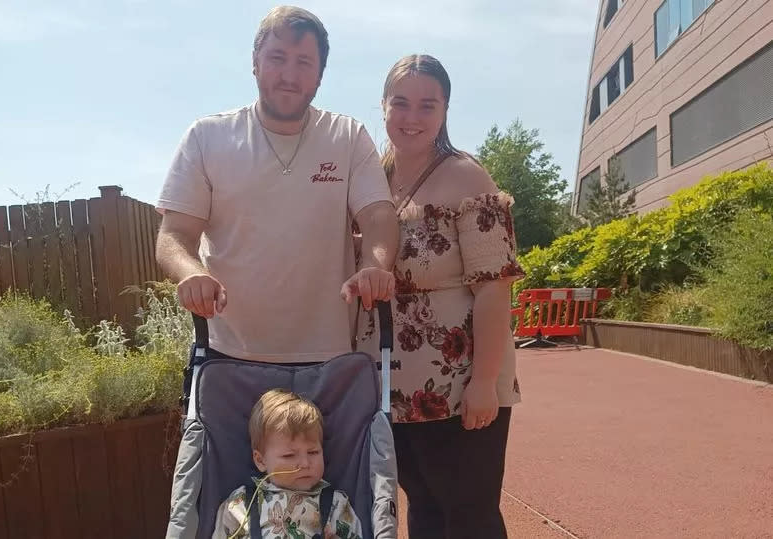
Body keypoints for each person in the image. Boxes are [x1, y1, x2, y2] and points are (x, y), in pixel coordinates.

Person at [155, 6, 398, 364]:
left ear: (319, 75)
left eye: (304, 62)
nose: (289, 75)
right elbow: (173, 235)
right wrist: (192, 274)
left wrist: (377, 265)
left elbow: (379, 215)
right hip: (229, 354)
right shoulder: (207, 137)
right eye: (277, 58)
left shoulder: (347, 137)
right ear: (255, 61)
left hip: (330, 356)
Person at [356, 54, 526, 538]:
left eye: (427, 105)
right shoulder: (375, 178)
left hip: (460, 381)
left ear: (445, 109)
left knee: (469, 514)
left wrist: (485, 383)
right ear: (383, 107)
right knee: (425, 507)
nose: (412, 117)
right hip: (394, 382)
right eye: (401, 103)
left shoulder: (468, 176)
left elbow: (495, 287)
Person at [212, 389, 362, 538]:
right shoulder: (242, 502)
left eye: (313, 452)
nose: (304, 463)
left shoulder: (337, 504)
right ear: (260, 460)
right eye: (289, 455)